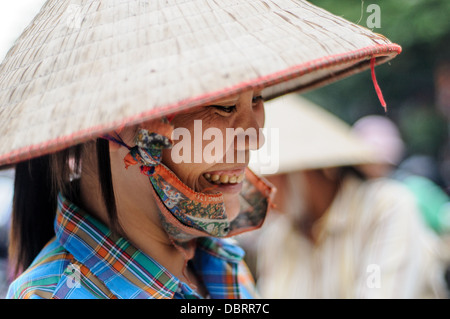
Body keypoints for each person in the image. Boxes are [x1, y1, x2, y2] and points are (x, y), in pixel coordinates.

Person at [0, 0, 402, 299]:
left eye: (257, 100)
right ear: (120, 125)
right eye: (225, 106)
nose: (254, 137)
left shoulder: (225, 267)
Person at [249, 94, 449, 298]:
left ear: (308, 171)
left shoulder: (386, 207)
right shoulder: (278, 237)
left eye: (271, 177)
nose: (263, 191)